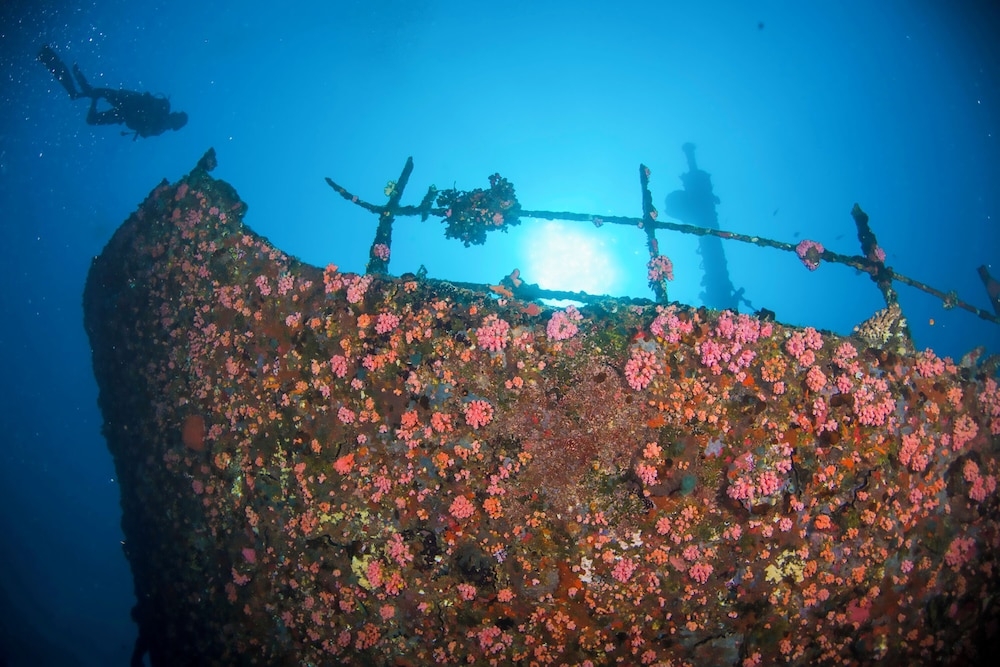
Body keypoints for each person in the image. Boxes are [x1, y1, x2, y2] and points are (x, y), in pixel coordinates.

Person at [38, 44, 187, 140]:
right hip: (126, 101)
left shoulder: (159, 128)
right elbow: (146, 101)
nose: (175, 115)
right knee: (93, 94)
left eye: (177, 118)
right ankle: (60, 65)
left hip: (123, 112)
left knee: (92, 112)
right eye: (178, 115)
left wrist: (149, 122)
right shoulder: (164, 107)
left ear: (175, 126)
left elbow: (144, 132)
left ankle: (62, 68)